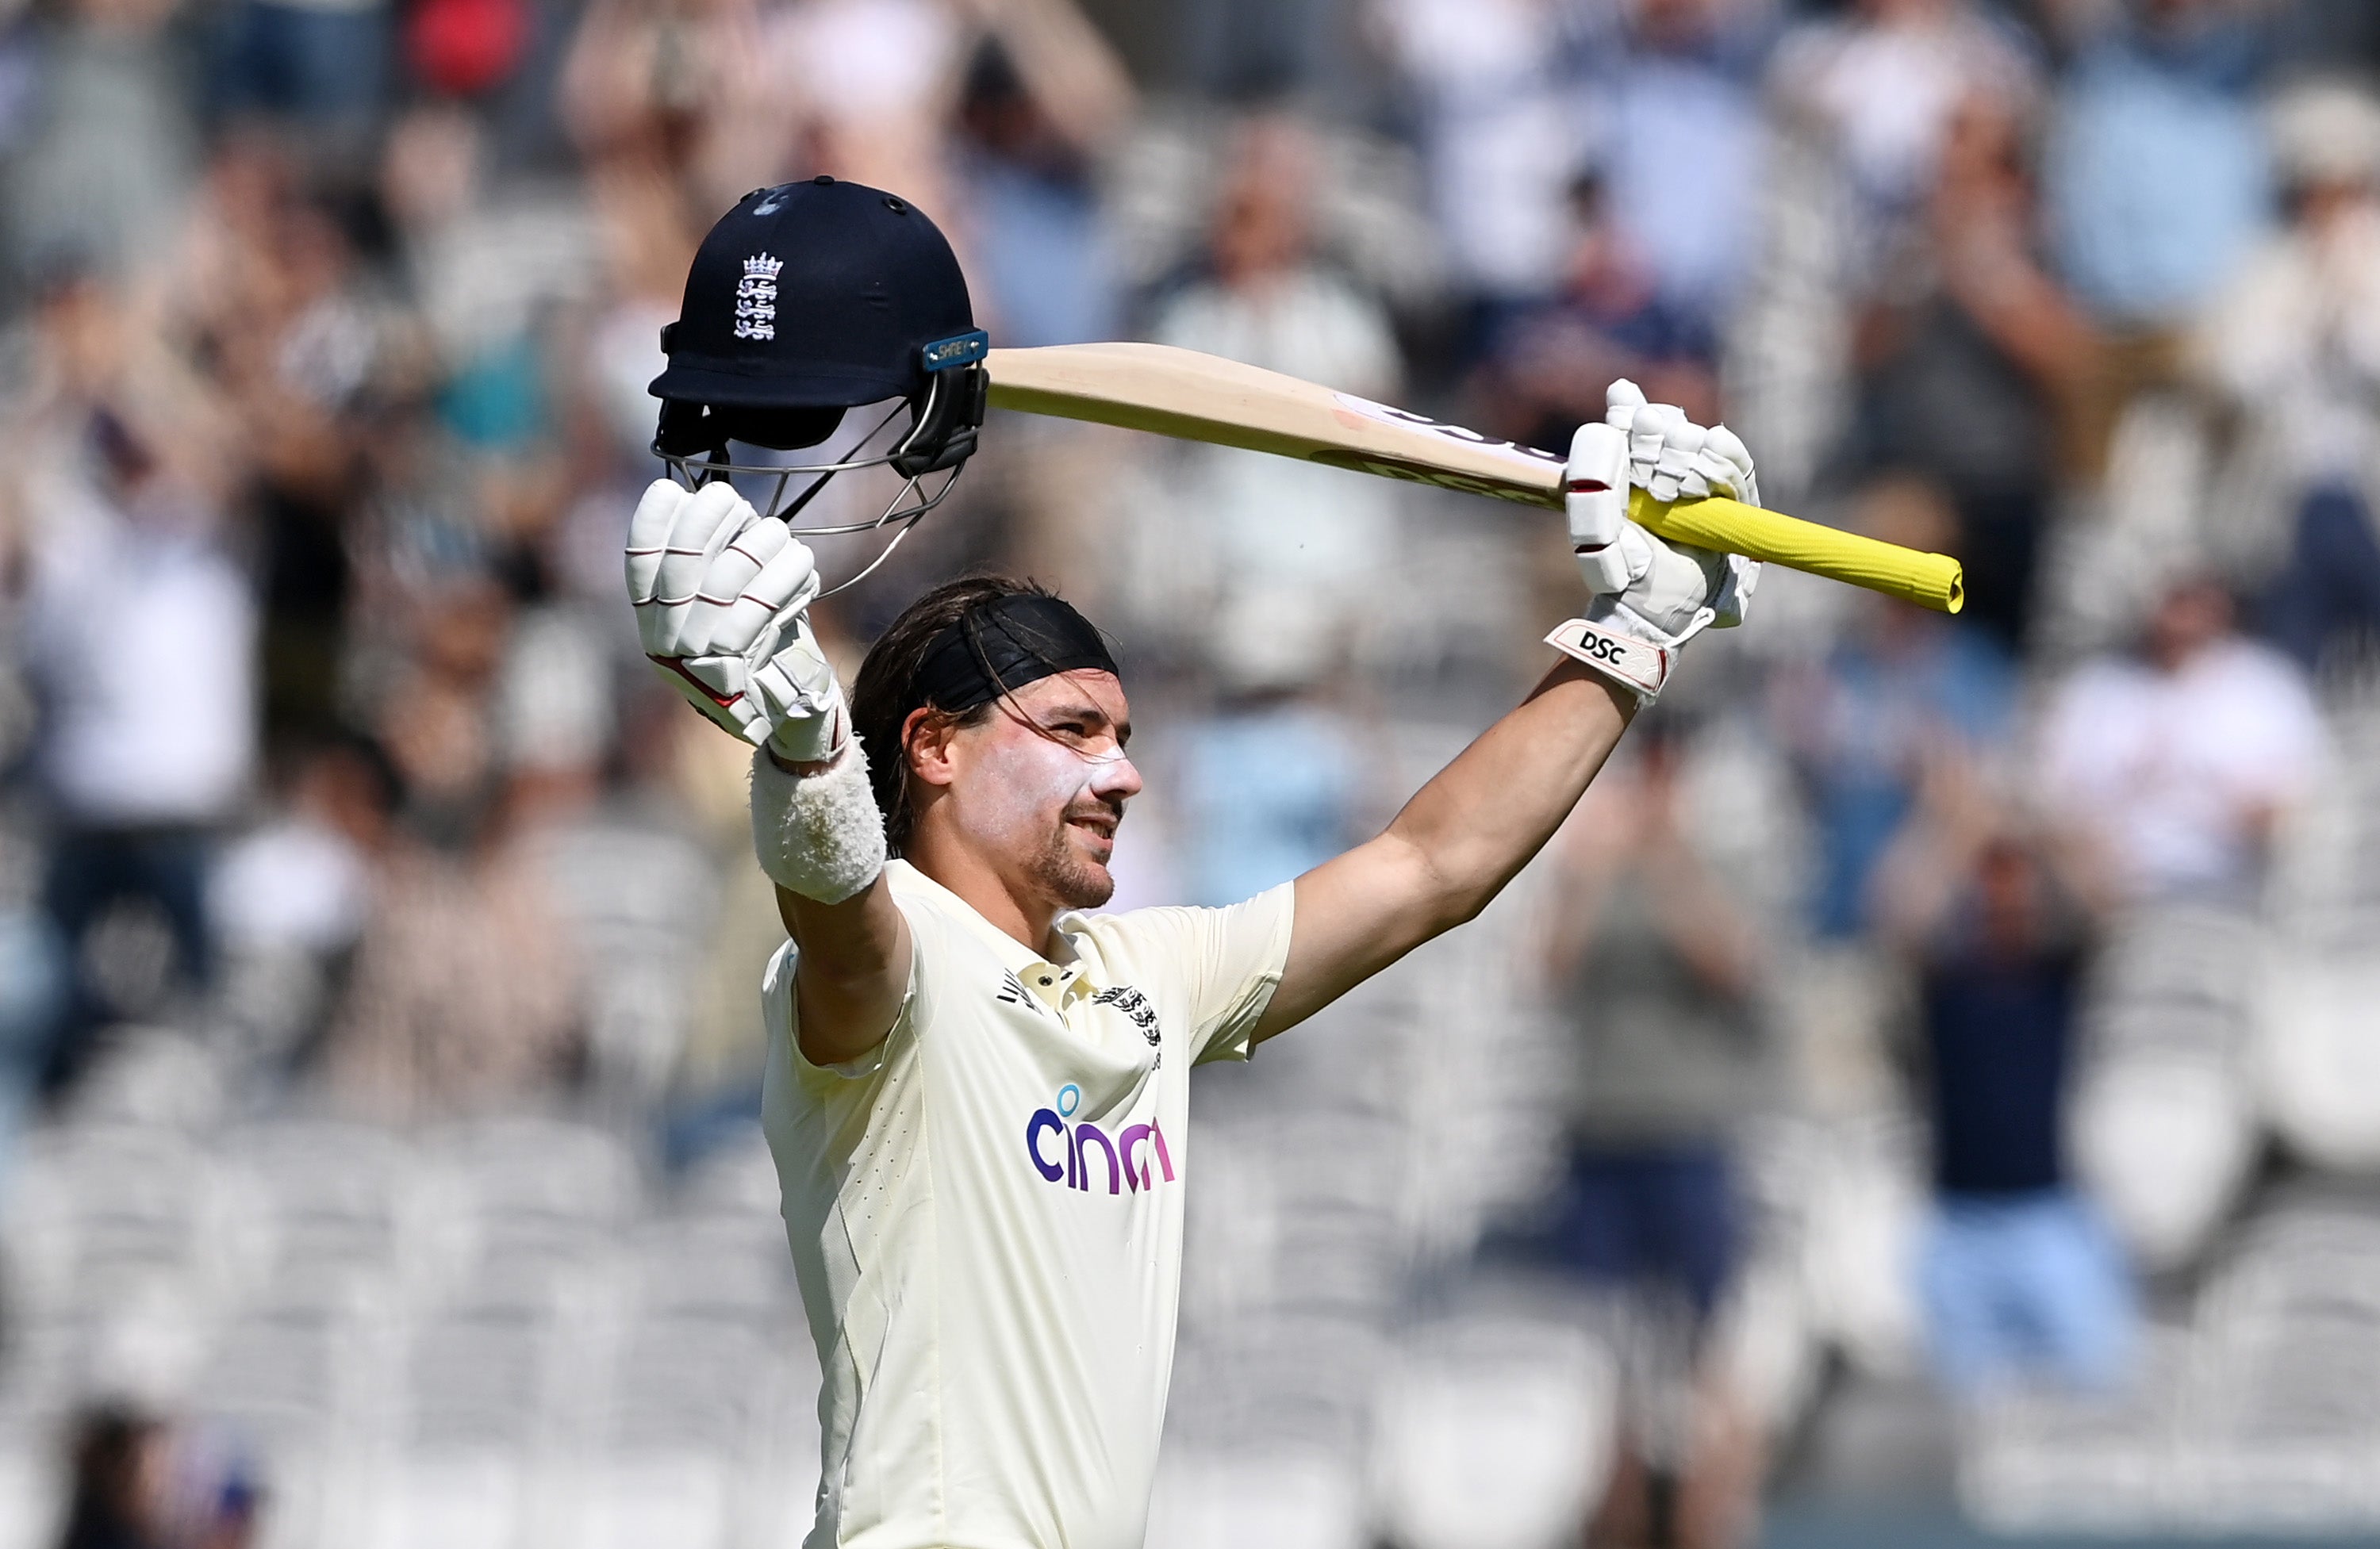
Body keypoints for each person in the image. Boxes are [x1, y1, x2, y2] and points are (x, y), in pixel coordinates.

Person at [620, 178, 1765, 1548]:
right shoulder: (892, 973)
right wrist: (801, 736)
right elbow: (838, 911)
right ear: (930, 748)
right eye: (1071, 733)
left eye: (1124, 733)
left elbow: (1431, 865)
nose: (1125, 773)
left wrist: (1632, 632)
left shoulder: (1146, 977)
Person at [1869, 757, 2134, 1399]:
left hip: (2052, 1215)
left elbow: (2108, 898)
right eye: (1993, 875)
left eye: (2017, 877)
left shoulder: (2055, 973)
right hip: (1958, 1222)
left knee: (2102, 1396)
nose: (2007, 892)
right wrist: (1960, 826)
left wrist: (2039, 824)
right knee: (1970, 1429)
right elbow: (1896, 912)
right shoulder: (1949, 979)